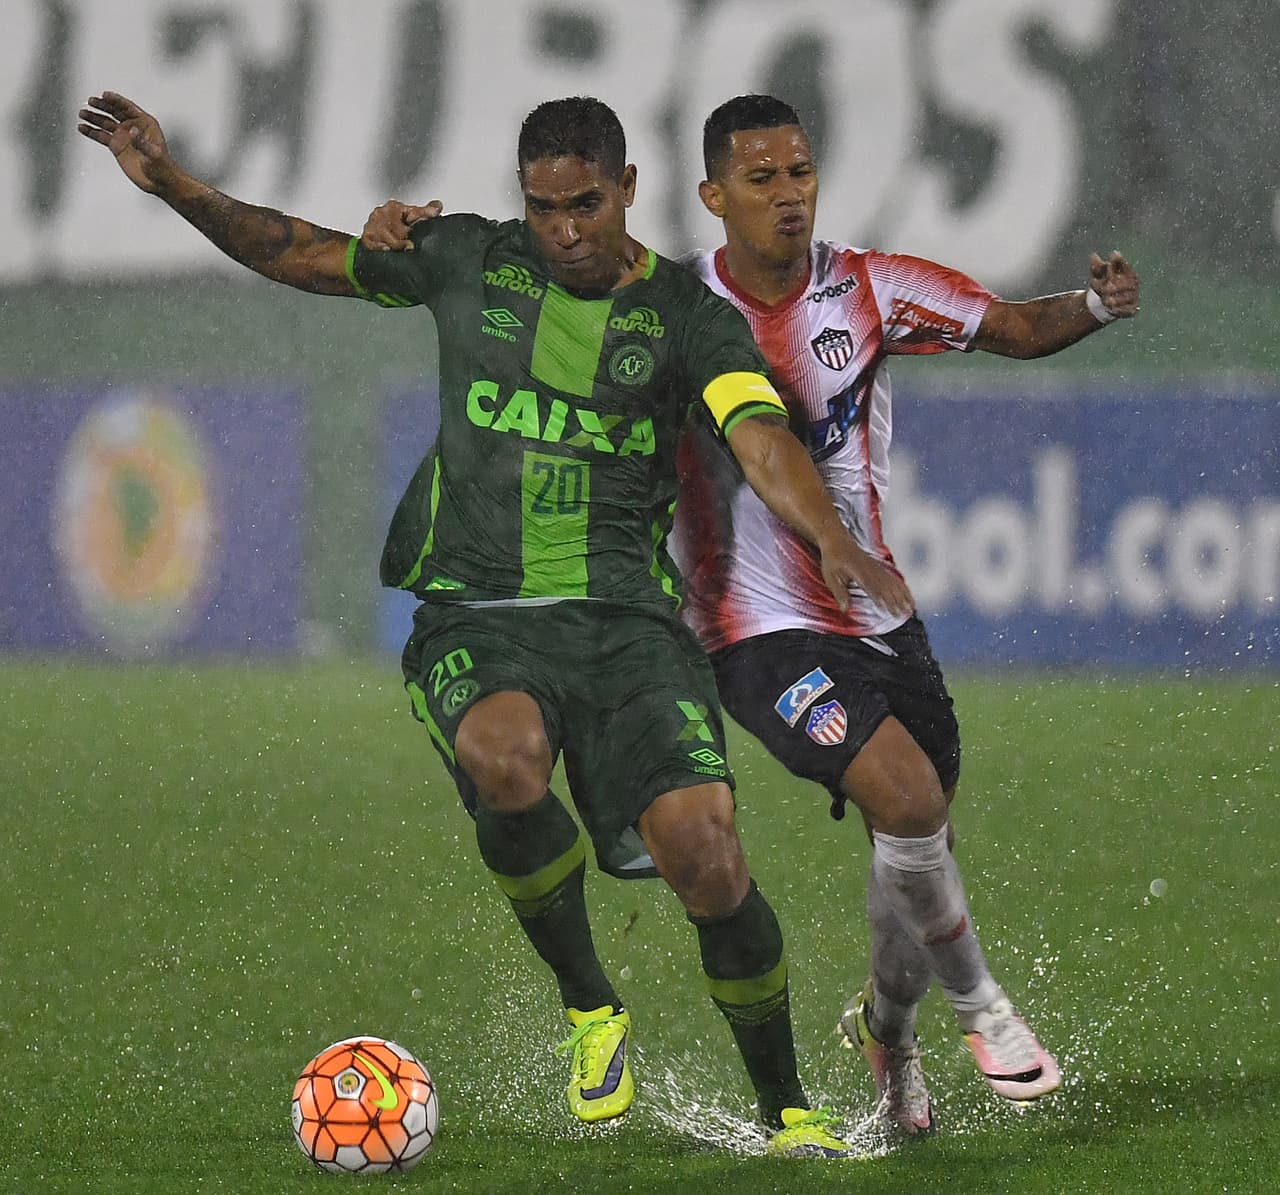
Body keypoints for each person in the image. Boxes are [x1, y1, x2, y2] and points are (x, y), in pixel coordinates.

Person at [77, 90, 916, 1158]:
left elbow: (757, 437)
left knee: (704, 853)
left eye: (582, 204)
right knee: (502, 755)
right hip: (475, 608)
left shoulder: (685, 317)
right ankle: (589, 1006)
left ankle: (787, 1107)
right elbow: (295, 251)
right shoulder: (469, 258)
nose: (561, 228)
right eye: (542, 206)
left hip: (625, 624)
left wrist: (831, 541)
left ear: (625, 190)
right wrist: (175, 183)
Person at [358, 94, 1140, 1139]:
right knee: (900, 800)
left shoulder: (863, 289)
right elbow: (745, 432)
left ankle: (887, 1030)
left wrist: (1087, 309)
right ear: (710, 196)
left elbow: (1005, 326)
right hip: (748, 628)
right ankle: (980, 1011)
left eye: (799, 173)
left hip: (868, 615)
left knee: (914, 834)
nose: (786, 195)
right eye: (760, 179)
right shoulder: (678, 306)